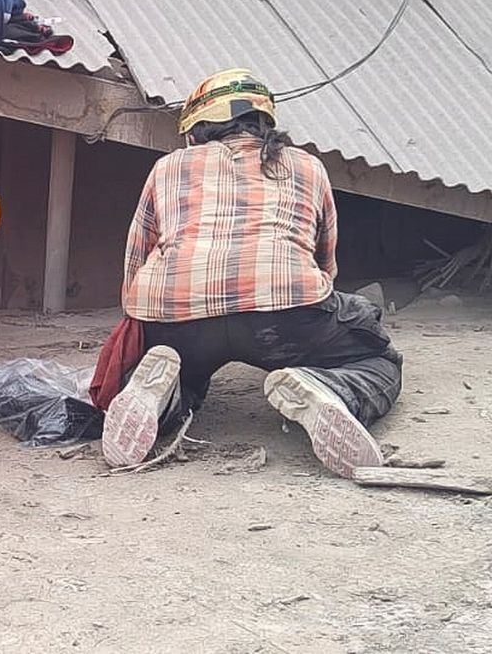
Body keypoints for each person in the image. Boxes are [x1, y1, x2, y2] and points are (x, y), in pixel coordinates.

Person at [102, 69, 402, 478]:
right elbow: (325, 263)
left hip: (177, 319)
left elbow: (135, 259)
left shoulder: (168, 167)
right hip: (285, 317)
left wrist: (145, 320)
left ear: (196, 128)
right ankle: (327, 388)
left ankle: (162, 396)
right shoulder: (307, 166)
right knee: (378, 359)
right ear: (266, 121)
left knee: (184, 375)